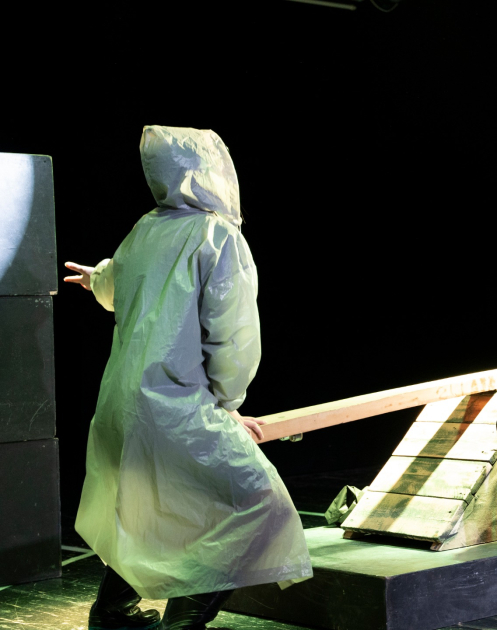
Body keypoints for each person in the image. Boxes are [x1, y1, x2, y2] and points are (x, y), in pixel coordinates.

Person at [63, 125, 312, 630]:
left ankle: (111, 612)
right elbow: (232, 335)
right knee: (258, 503)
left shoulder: (145, 228)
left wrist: (97, 279)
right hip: (175, 406)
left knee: (144, 508)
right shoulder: (217, 235)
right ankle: (181, 625)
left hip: (121, 407)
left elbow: (117, 279)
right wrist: (227, 404)